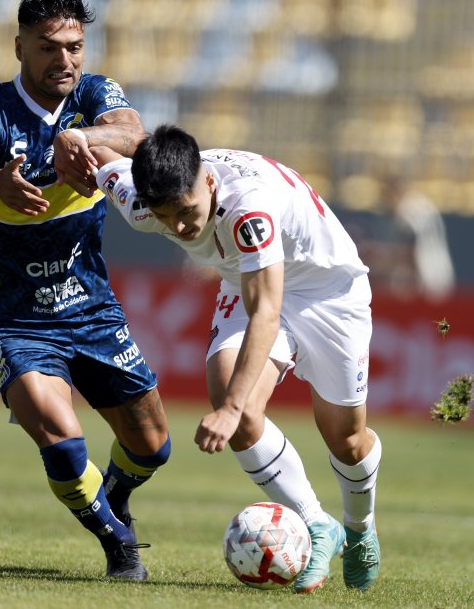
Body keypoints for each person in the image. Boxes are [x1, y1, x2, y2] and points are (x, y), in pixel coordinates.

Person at [91, 125, 383, 593]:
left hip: (328, 289)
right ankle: (316, 525)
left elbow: (267, 311)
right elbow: (103, 158)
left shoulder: (250, 209)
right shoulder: (140, 204)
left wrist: (229, 410)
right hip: (246, 277)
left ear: (208, 182)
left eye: (186, 212)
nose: (179, 228)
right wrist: (74, 141)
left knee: (345, 439)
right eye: (166, 217)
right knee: (236, 396)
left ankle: (360, 527)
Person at [0, 0, 169, 581]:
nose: (63, 60)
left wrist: (82, 138)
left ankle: (113, 496)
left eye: (73, 46)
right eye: (48, 47)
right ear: (19, 46)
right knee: (62, 439)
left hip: (91, 308)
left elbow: (135, 135)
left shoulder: (94, 94)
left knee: (153, 446)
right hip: (15, 317)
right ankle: (117, 542)